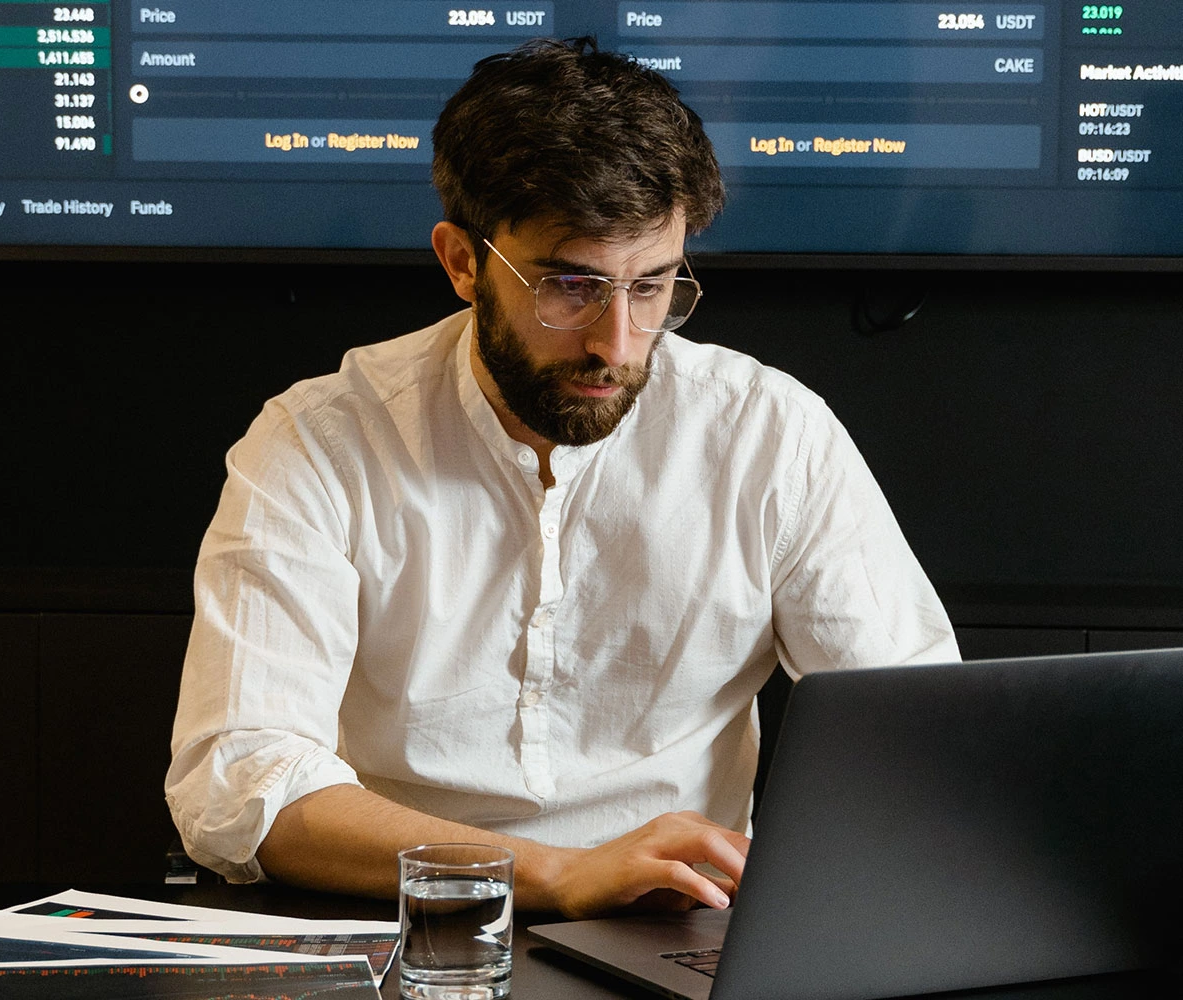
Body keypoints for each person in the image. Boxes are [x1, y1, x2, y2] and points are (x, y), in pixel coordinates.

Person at [165, 38, 958, 918]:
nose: (616, 345)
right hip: (403, 928)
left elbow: (917, 739)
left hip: (685, 931)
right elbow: (237, 784)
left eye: (653, 287)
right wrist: (552, 873)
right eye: (570, 288)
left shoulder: (771, 434)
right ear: (463, 263)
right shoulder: (318, 442)